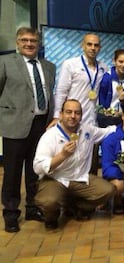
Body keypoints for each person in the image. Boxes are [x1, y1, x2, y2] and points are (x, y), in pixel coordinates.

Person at [0, 27, 56, 233]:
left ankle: (33, 207)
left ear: (39, 43)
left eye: (33, 40)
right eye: (24, 40)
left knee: (36, 170)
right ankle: (11, 213)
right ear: (17, 42)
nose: (29, 43)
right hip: (15, 125)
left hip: (42, 125)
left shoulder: (49, 66)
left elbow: (49, 94)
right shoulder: (5, 63)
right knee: (12, 172)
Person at [33, 99, 116, 230]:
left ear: (81, 116)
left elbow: (108, 131)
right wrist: (62, 156)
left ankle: (76, 206)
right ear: (61, 114)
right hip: (56, 179)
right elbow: (37, 167)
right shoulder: (50, 136)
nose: (73, 116)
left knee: (108, 191)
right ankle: (51, 218)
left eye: (77, 113)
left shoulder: (87, 131)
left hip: (80, 178)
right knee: (49, 201)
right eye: (68, 112)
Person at [52, 33, 108, 174]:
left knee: (91, 161)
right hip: (72, 119)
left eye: (96, 45)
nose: (92, 48)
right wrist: (56, 115)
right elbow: (61, 91)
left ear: (100, 48)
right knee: (70, 157)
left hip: (92, 121)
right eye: (89, 44)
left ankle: (91, 192)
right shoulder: (70, 64)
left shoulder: (103, 68)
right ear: (82, 45)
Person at [98, 49, 124, 123]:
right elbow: (101, 101)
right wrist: (107, 113)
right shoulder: (107, 78)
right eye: (120, 62)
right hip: (107, 119)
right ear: (114, 61)